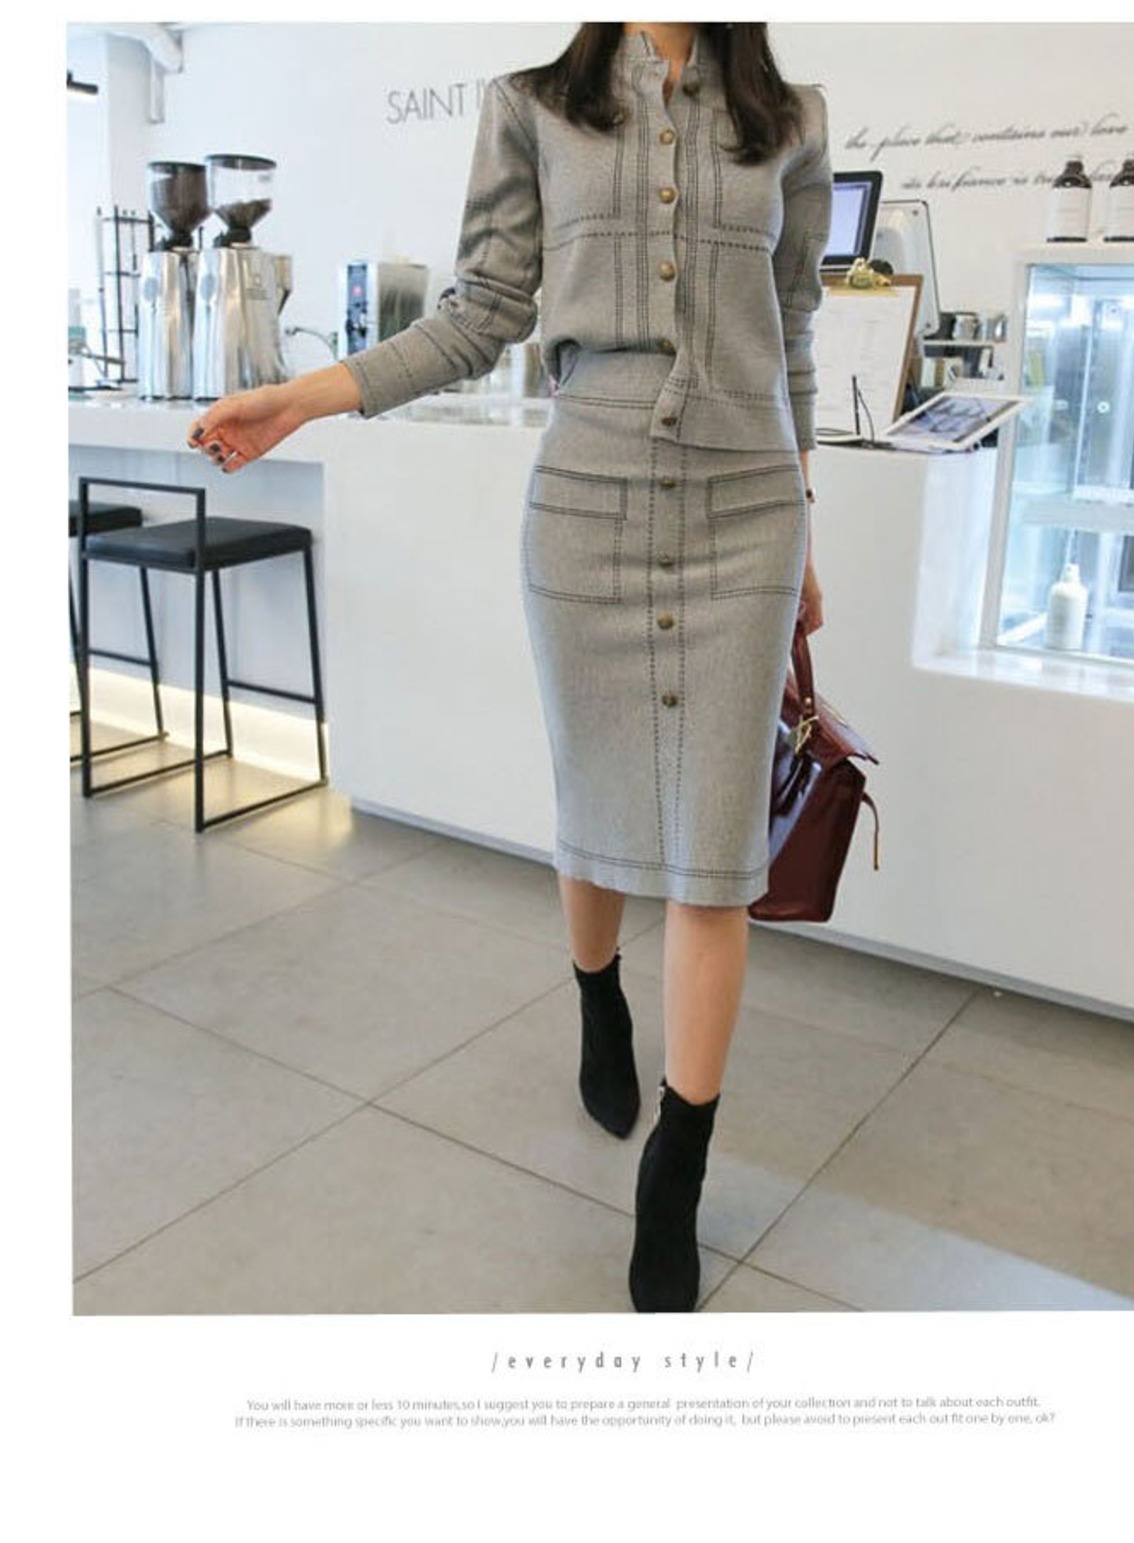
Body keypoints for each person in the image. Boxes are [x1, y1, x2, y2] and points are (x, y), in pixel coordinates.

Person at [187, 20, 832, 1313]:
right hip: (586, 504)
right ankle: (598, 997)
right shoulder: (534, 105)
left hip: (750, 513)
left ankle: (676, 1170)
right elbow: (482, 314)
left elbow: (796, 328)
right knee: (596, 810)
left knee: (715, 853)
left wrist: (807, 527)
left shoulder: (793, 117)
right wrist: (301, 396)